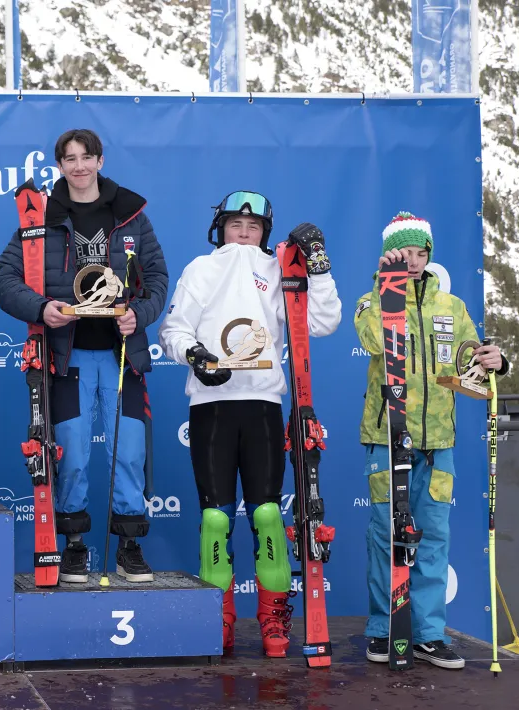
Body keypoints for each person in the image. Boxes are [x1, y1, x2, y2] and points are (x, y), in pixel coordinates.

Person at [159, 191, 342, 656]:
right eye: (236, 224)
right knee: (216, 519)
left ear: (265, 231)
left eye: (254, 226)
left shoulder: (278, 267)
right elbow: (173, 331)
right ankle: (218, 615)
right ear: (220, 227)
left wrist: (317, 269)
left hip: (262, 402)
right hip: (212, 405)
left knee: (266, 515)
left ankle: (274, 618)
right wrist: (196, 355)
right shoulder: (200, 269)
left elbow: (321, 322)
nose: (244, 233)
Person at [0, 128, 168, 583]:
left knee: (128, 452)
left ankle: (129, 544)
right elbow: (4, 279)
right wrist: (40, 307)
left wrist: (139, 314)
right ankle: (72, 545)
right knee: (69, 455)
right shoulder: (39, 218)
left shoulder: (131, 215)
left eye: (86, 157)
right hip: (66, 356)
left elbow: (158, 279)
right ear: (60, 166)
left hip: (120, 352)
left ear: (100, 160)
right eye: (69, 159)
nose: (78, 166)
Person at [355, 211, 508, 670]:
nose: (415, 262)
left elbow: (468, 373)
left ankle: (428, 634)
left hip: (438, 440)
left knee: (435, 537)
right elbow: (372, 341)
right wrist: (389, 288)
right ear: (389, 258)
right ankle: (385, 628)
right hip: (387, 437)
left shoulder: (453, 308)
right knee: (386, 535)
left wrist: (494, 362)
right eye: (405, 255)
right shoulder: (372, 301)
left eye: (421, 253)